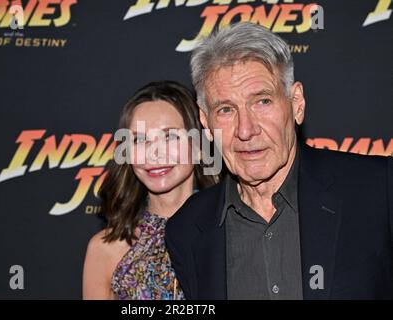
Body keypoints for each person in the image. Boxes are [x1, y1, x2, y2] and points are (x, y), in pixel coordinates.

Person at [165, 23, 393, 300]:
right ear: (205, 121)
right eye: (226, 109)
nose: (245, 130)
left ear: (296, 103)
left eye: (262, 102)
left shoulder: (378, 190)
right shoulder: (187, 229)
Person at [83, 81, 218, 299]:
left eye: (170, 136)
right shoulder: (105, 249)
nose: (154, 153)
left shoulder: (231, 236)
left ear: (199, 147)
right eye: (139, 140)